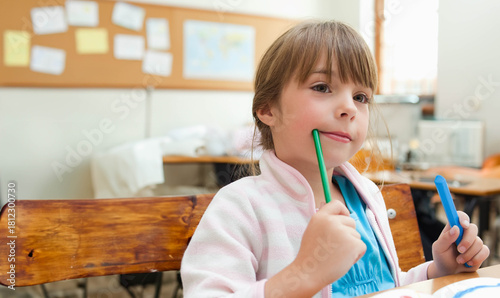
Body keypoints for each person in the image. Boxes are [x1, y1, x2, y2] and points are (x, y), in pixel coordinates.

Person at [180, 20, 490, 297]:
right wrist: (301, 275)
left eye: (361, 97)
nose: (349, 108)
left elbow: (384, 287)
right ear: (267, 109)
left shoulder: (367, 197)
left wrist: (437, 270)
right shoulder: (239, 208)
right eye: (322, 87)